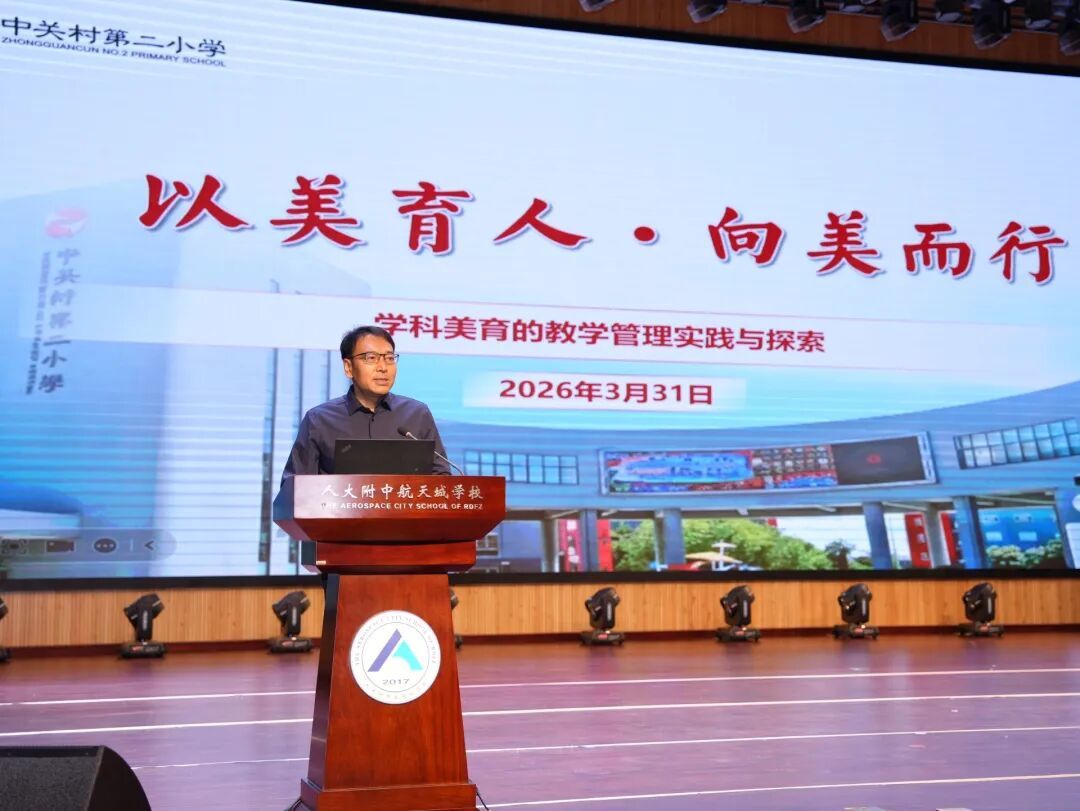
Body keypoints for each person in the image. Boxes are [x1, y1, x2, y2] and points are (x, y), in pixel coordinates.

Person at [281, 325, 451, 477]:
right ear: (348, 367)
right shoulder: (319, 420)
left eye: (389, 358)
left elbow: (441, 477)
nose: (383, 367)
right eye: (371, 358)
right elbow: (295, 486)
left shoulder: (416, 414)